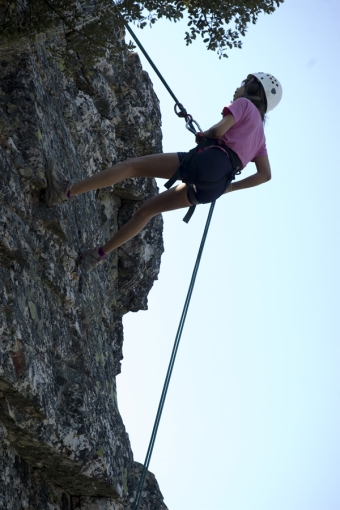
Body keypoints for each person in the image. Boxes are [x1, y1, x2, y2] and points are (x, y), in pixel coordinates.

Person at [46, 72, 282, 271]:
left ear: (252, 87)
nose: (237, 88)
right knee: (146, 212)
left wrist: (207, 135)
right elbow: (265, 175)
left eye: (242, 83)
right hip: (215, 186)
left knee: (131, 166)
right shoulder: (260, 136)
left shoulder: (244, 105)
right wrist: (229, 188)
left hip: (208, 163)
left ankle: (65, 191)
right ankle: (95, 256)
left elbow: (219, 131)